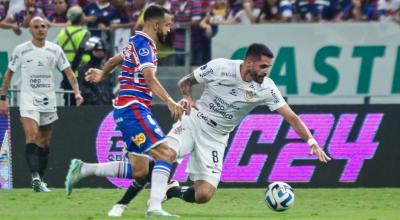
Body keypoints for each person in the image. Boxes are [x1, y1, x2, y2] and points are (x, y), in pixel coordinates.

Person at [67, 43, 331, 217]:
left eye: (268, 68)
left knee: (203, 195)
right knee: (164, 155)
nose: (266, 72)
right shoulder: (220, 67)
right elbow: (186, 81)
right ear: (249, 62)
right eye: (263, 66)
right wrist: (187, 97)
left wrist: (310, 141)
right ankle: (149, 204)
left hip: (217, 138)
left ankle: (172, 191)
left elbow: (292, 117)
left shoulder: (266, 88)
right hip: (194, 121)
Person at [66, 5, 185, 217]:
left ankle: (83, 169)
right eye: (167, 25)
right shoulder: (145, 45)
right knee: (166, 154)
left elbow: (114, 60)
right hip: (133, 107)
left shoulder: (135, 42)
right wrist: (170, 101)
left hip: (126, 109)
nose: (169, 29)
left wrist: (103, 73)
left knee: (140, 170)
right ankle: (155, 208)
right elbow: (149, 78)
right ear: (156, 24)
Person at [0, 16, 83, 192]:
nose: (40, 29)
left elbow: (69, 72)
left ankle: (40, 180)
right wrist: (2, 98)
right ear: (30, 30)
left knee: (44, 143)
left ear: (47, 28)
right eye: (36, 27)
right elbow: (9, 74)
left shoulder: (55, 50)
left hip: (49, 101)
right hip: (28, 100)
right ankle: (35, 177)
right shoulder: (21, 50)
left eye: (43, 26)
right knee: (31, 136)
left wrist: (77, 92)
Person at [58, 5, 90, 106]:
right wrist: (73, 71)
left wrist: (65, 72)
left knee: (68, 103)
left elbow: (57, 54)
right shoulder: (84, 33)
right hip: (81, 73)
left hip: (65, 72)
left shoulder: (62, 32)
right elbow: (80, 53)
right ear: (80, 17)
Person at [77, 36, 114, 105]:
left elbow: (109, 87)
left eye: (102, 51)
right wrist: (93, 98)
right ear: (91, 51)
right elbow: (82, 87)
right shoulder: (84, 68)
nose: (100, 53)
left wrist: (111, 99)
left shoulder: (106, 68)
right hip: (90, 106)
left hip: (106, 105)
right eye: (97, 51)